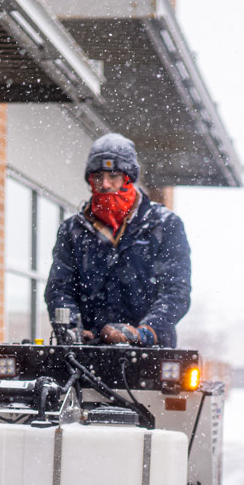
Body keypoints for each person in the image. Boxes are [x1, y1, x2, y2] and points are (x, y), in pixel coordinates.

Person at [43, 133, 192, 347]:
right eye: (97, 177)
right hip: (86, 353)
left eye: (113, 176)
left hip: (151, 353)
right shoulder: (72, 230)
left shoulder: (165, 226)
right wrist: (72, 330)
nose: (105, 184)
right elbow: (59, 288)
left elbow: (176, 290)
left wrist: (145, 331)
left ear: (128, 178)